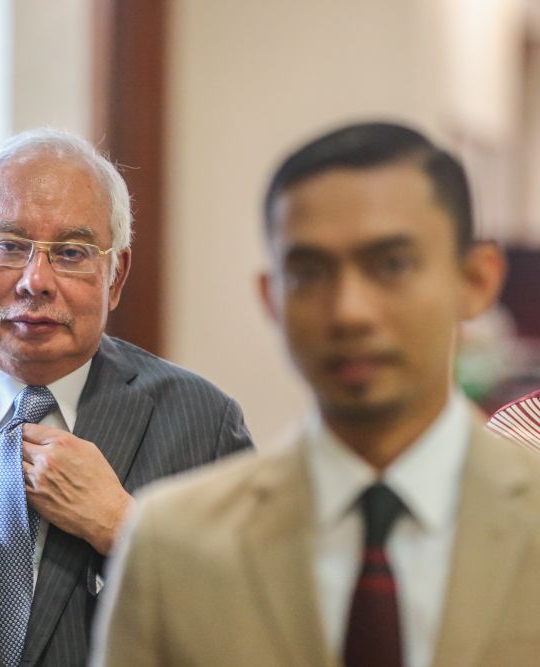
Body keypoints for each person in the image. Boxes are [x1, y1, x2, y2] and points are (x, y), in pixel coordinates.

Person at [91, 122, 540, 667]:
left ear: (476, 279)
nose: (350, 310)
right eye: (309, 272)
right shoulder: (177, 546)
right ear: (271, 296)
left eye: (391, 265)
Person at [0, 128, 253, 667]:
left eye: (72, 253)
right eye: (8, 246)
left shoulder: (202, 424)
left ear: (115, 275)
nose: (37, 280)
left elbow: (257, 629)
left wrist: (124, 529)